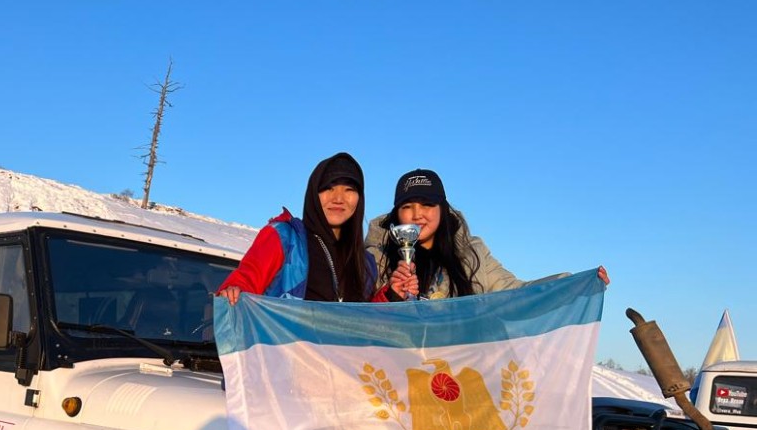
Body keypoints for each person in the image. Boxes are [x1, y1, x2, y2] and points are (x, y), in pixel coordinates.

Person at [367, 168, 607, 301]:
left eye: (427, 205)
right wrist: (391, 294)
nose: (417, 215)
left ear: (442, 209)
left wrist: (569, 284)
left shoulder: (471, 254)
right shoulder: (376, 257)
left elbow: (514, 291)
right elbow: (358, 316)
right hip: (396, 373)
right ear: (396, 214)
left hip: (461, 368)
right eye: (407, 207)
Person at [218, 153, 378, 304]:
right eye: (328, 188)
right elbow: (247, 278)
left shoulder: (365, 263)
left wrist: (392, 293)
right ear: (314, 193)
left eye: (349, 190)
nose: (338, 198)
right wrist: (233, 290)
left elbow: (370, 322)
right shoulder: (284, 238)